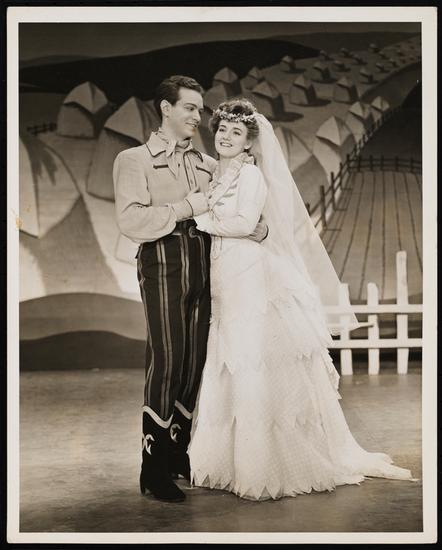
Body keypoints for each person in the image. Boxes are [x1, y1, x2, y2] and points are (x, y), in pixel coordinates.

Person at [188, 98, 414, 500]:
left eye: (236, 133)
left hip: (248, 273)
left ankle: (263, 463)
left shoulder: (251, 176)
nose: (226, 137)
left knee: (252, 357)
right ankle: (231, 460)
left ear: (249, 143)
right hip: (225, 273)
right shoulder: (219, 174)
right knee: (232, 357)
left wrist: (199, 219)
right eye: (222, 129)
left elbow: (244, 222)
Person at [113, 76, 267, 503]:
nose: (199, 117)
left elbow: (238, 206)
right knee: (168, 361)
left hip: (206, 266)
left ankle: (177, 453)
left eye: (200, 109)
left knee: (195, 361)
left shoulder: (208, 163)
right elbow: (131, 221)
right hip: (163, 264)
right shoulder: (133, 160)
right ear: (166, 108)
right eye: (190, 108)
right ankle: (152, 464)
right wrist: (187, 207)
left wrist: (261, 228)